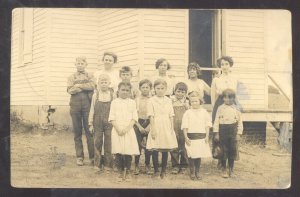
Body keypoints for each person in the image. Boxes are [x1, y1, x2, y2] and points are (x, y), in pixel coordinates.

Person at [211, 56, 241, 168]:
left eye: (226, 64)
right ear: (220, 66)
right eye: (222, 64)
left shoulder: (235, 78)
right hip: (220, 102)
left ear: (230, 65)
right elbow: (213, 94)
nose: (224, 66)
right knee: (219, 130)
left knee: (232, 129)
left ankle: (231, 156)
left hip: (232, 101)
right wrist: (215, 107)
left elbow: (236, 93)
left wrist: (236, 105)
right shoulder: (216, 79)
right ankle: (219, 156)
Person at [146, 79, 178, 179]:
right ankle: (156, 170)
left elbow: (171, 115)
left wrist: (172, 128)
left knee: (165, 148)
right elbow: (151, 116)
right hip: (156, 124)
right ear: (154, 89)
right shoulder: (151, 100)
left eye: (162, 88)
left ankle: (163, 170)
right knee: (155, 148)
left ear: (165, 89)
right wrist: (153, 129)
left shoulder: (168, 100)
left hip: (167, 125)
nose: (160, 90)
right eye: (158, 88)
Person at [109, 81, 140, 181]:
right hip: (117, 129)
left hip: (128, 130)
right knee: (118, 151)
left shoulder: (132, 102)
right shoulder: (114, 102)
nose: (125, 92)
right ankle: (120, 172)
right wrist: (118, 129)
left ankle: (128, 171)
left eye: (127, 90)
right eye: (123, 90)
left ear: (130, 92)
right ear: (118, 91)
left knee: (128, 151)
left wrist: (127, 129)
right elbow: (112, 117)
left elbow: (134, 118)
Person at [67, 56, 95, 166]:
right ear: (75, 64)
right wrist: (83, 86)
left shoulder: (90, 75)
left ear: (85, 65)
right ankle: (79, 157)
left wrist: (78, 85)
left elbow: (92, 86)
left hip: (87, 106)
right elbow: (70, 90)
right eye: (78, 63)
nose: (80, 65)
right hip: (75, 105)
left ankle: (92, 157)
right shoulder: (71, 76)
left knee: (89, 132)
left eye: (82, 63)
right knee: (77, 132)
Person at [181, 92, 212, 180]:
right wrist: (186, 137)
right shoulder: (187, 113)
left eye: (196, 101)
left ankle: (197, 171)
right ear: (190, 103)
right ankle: (192, 171)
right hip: (191, 137)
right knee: (191, 154)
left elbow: (207, 125)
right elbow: (184, 126)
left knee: (198, 154)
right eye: (192, 101)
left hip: (201, 136)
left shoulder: (204, 112)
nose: (194, 103)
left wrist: (207, 136)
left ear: (200, 101)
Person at [213, 89, 243, 178]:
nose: (228, 100)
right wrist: (216, 133)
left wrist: (238, 133)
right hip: (223, 131)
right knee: (223, 150)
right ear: (223, 98)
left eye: (230, 98)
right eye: (225, 98)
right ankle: (224, 169)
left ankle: (231, 169)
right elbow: (216, 121)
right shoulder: (220, 108)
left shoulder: (236, 109)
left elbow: (240, 122)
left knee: (232, 150)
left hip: (233, 131)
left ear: (234, 98)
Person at [88, 74, 114, 172]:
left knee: (108, 143)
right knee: (97, 142)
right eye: (101, 82)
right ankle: (97, 164)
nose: (103, 84)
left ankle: (108, 165)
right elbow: (92, 110)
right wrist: (90, 124)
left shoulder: (112, 95)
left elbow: (115, 110)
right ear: (98, 84)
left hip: (109, 122)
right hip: (97, 121)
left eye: (105, 82)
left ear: (109, 83)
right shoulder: (96, 95)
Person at [133, 79, 153, 175]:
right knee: (137, 144)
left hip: (150, 122)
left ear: (150, 88)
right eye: (143, 87)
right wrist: (139, 126)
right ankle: (136, 164)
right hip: (138, 123)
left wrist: (149, 126)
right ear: (140, 88)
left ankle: (147, 164)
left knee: (148, 146)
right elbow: (133, 114)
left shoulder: (153, 99)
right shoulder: (136, 100)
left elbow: (155, 114)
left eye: (147, 87)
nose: (145, 89)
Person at [170, 82, 189, 174]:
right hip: (173, 125)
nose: (180, 94)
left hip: (184, 126)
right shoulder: (171, 101)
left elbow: (190, 114)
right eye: (178, 91)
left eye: (182, 92)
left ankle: (184, 163)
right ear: (174, 91)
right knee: (174, 145)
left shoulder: (186, 102)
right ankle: (175, 165)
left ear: (185, 93)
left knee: (184, 145)